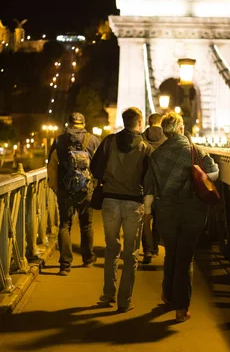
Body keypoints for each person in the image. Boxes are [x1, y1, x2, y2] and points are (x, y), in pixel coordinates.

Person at [144, 112, 219, 322]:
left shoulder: (156, 154)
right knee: (185, 258)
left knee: (171, 253)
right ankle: (181, 308)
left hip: (166, 210)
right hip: (192, 209)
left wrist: (148, 212)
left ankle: (167, 295)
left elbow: (149, 187)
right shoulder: (195, 150)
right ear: (180, 129)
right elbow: (213, 174)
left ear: (166, 131)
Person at [90, 107, 153, 313]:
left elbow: (96, 169)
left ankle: (107, 294)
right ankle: (124, 301)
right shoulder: (145, 148)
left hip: (110, 200)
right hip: (134, 203)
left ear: (123, 121)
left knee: (111, 249)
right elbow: (149, 179)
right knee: (131, 253)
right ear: (140, 123)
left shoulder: (108, 142)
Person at [47, 112, 101, 276]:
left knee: (64, 226)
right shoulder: (92, 140)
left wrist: (55, 187)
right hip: (86, 190)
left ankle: (65, 265)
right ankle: (88, 259)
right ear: (83, 124)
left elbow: (52, 166)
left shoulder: (59, 140)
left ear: (68, 124)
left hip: (65, 190)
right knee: (86, 225)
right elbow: (99, 165)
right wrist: (95, 185)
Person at [140, 113, 167, 264]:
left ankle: (147, 250)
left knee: (145, 219)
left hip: (145, 183)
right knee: (158, 218)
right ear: (161, 122)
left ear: (147, 122)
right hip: (162, 184)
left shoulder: (141, 138)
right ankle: (155, 248)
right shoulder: (168, 139)